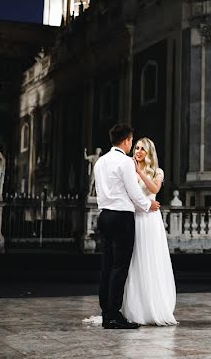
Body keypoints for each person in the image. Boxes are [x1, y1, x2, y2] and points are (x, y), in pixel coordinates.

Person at [90, 124, 161, 330]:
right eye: (132, 142)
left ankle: (106, 312)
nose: (133, 146)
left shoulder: (100, 162)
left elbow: (99, 191)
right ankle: (113, 315)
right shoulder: (125, 162)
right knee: (120, 267)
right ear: (127, 141)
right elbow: (134, 192)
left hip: (104, 216)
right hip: (122, 217)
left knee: (106, 266)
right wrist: (149, 204)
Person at [123, 137, 178, 326]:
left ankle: (154, 306)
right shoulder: (128, 169)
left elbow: (154, 188)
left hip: (151, 221)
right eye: (136, 148)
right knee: (135, 261)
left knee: (151, 259)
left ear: (149, 153)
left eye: (142, 149)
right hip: (135, 219)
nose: (137, 151)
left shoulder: (158, 171)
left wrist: (139, 171)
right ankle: (135, 308)